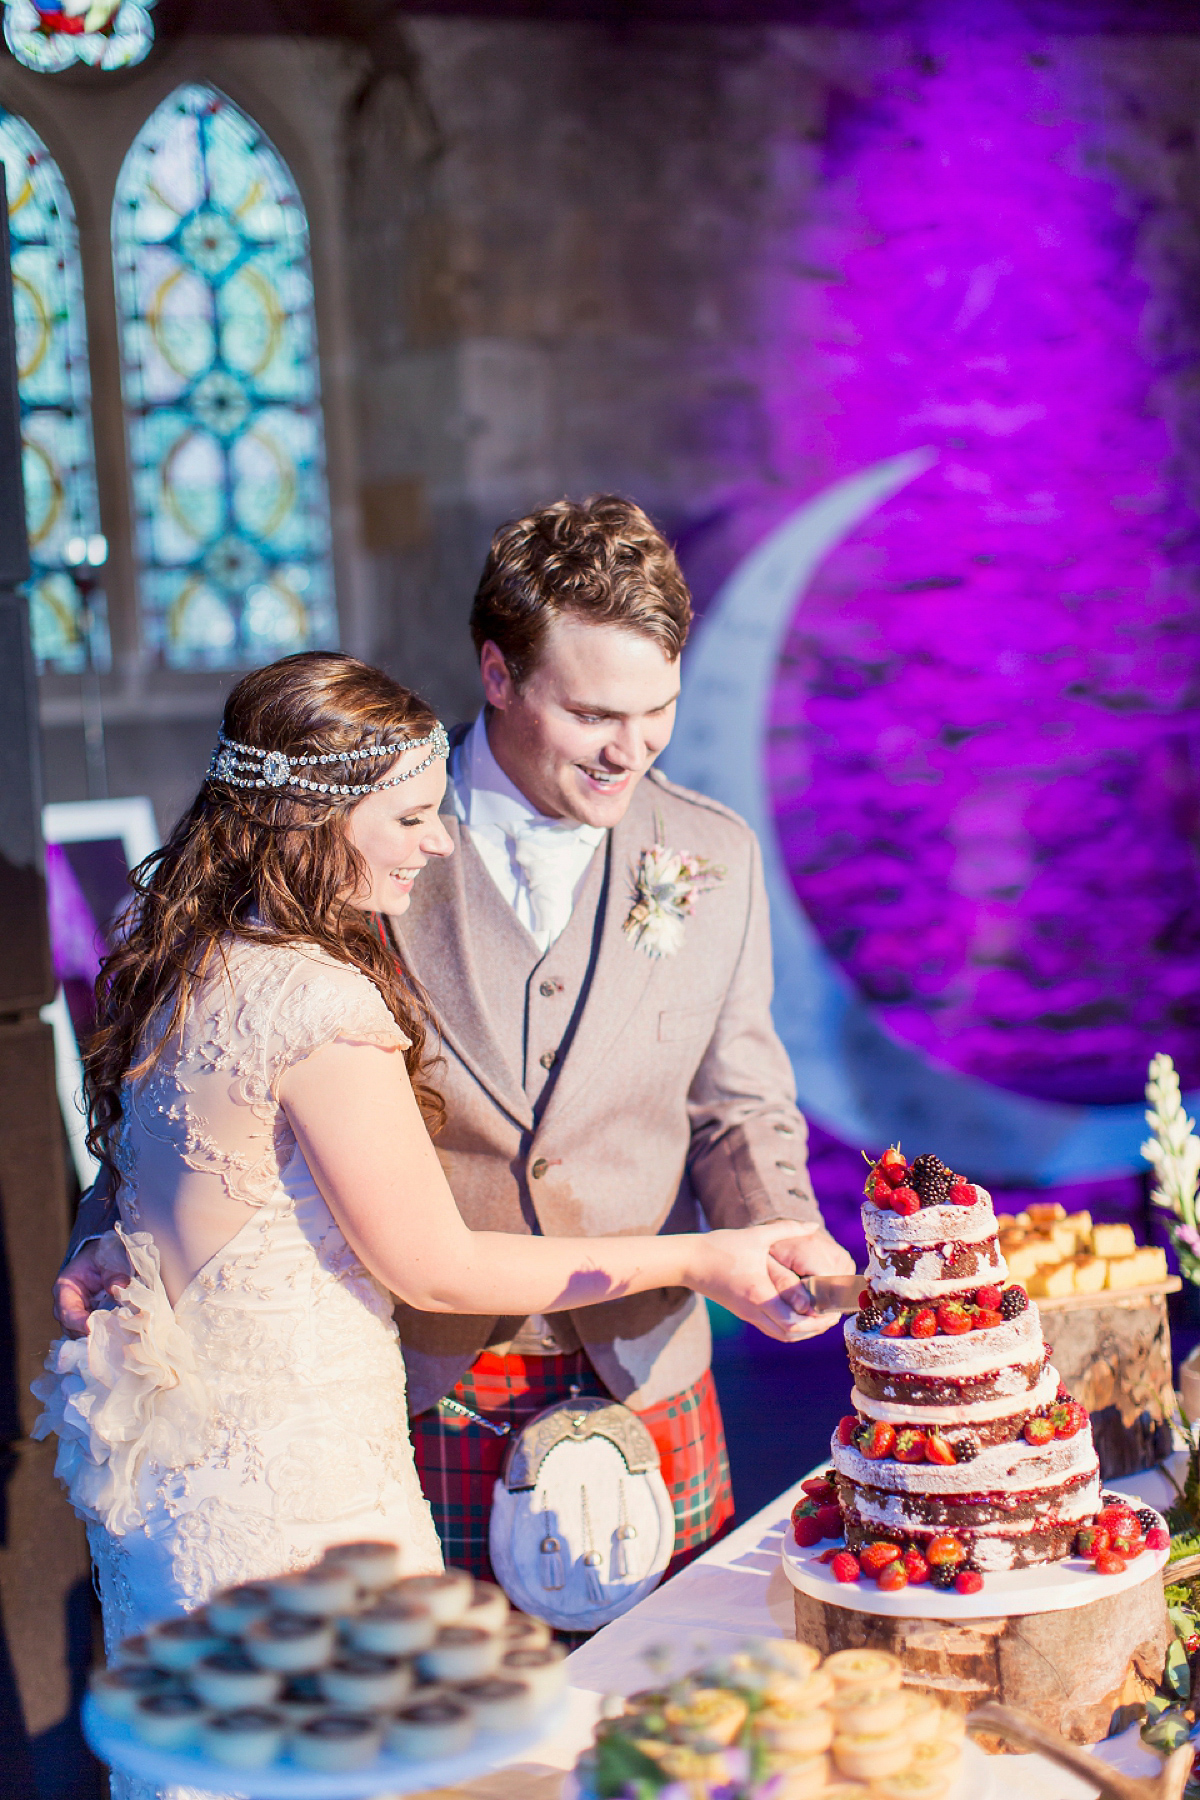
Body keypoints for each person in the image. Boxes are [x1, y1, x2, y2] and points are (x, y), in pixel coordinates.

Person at [39, 652, 827, 1671]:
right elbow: (436, 1268)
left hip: (189, 1491)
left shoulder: (179, 957)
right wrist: (700, 1259)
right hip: (306, 1492)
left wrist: (104, 1239)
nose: (437, 839)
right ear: (311, 820)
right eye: (409, 819)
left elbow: (162, 1178)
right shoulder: (316, 1004)